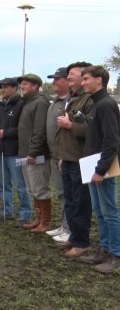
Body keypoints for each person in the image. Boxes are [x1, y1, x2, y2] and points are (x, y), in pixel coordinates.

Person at [80, 65, 120, 274]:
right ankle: (104, 249)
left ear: (99, 80)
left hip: (101, 167)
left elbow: (112, 140)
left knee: (109, 211)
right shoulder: (95, 104)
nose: (83, 82)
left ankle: (116, 254)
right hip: (91, 164)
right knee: (99, 211)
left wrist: (101, 169)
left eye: (86, 79)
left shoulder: (106, 104)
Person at [54, 62, 94, 258]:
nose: (68, 77)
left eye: (72, 74)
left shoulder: (89, 100)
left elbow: (92, 130)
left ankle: (82, 242)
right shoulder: (72, 98)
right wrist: (61, 155)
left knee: (80, 202)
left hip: (81, 159)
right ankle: (73, 236)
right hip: (68, 158)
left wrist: (70, 125)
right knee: (70, 202)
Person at [0, 77, 31, 225]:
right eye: (2, 87)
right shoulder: (0, 106)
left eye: (6, 87)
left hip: (15, 151)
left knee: (21, 186)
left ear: (15, 88)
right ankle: (6, 211)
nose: (3, 89)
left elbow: (23, 128)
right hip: (0, 151)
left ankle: (25, 215)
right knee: (3, 184)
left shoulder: (21, 105)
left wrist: (6, 133)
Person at [17, 73, 52, 233]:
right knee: (32, 188)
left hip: (36, 155)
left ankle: (45, 223)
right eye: (22, 83)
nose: (22, 86)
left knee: (40, 189)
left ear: (36, 86)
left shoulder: (40, 103)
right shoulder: (27, 103)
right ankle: (38, 219)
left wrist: (32, 152)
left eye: (26, 83)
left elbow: (39, 130)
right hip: (26, 154)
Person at [44, 67, 69, 242]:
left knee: (68, 194)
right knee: (60, 192)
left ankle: (70, 229)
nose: (54, 82)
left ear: (67, 80)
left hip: (65, 155)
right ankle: (64, 225)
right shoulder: (54, 103)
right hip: (54, 154)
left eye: (57, 79)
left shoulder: (70, 103)